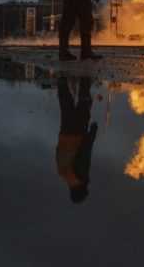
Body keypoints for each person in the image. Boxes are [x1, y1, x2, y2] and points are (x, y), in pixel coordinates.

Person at [56, 76, 98, 204]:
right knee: (66, 104)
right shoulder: (62, 173)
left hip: (78, 133)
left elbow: (85, 153)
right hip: (65, 132)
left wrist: (92, 133)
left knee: (84, 103)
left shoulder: (80, 176)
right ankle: (61, 79)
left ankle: (86, 74)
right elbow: (58, 151)